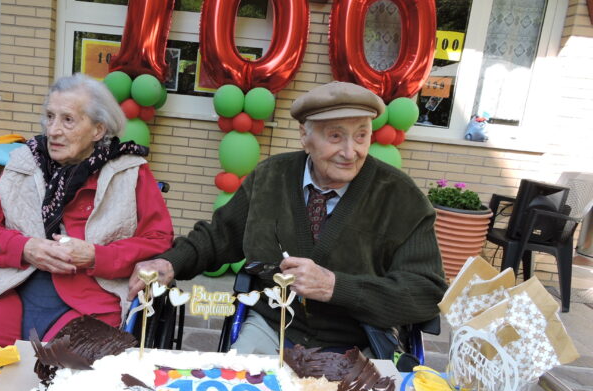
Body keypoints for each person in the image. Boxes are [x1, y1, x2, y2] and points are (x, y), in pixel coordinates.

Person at [129, 81, 447, 354]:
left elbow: (424, 292)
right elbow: (219, 236)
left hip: (359, 339)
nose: (351, 152)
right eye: (335, 136)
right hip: (273, 328)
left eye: (361, 136)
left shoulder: (401, 198)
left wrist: (337, 287)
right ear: (304, 137)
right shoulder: (271, 177)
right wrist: (169, 262)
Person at [0, 74, 174, 346]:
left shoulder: (129, 172)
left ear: (98, 130)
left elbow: (158, 241)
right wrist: (24, 248)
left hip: (90, 300)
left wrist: (96, 256)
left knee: (65, 375)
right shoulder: (24, 163)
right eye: (50, 117)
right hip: (10, 287)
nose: (52, 130)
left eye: (68, 120)